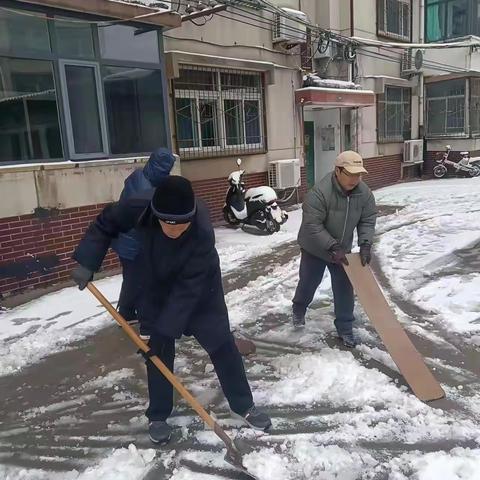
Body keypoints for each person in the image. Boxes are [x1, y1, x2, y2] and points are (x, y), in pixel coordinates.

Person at [71, 176, 272, 444]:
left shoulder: (201, 231)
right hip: (153, 287)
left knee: (223, 346)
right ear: (156, 213)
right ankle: (158, 415)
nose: (175, 230)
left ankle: (243, 404)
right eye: (168, 223)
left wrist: (164, 330)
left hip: (200, 294)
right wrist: (88, 260)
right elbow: (105, 223)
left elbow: (187, 292)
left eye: (182, 225)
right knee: (157, 354)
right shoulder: (137, 207)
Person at [292, 151, 377, 347]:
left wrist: (365, 243)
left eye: (359, 174)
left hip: (342, 249)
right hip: (315, 248)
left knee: (345, 287)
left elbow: (367, 219)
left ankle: (345, 328)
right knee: (308, 282)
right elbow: (312, 226)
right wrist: (332, 246)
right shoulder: (319, 193)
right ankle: (299, 309)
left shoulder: (364, 193)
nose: (355, 179)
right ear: (338, 171)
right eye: (350, 174)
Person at [111, 148, 175, 325]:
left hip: (127, 238)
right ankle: (137, 315)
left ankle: (126, 312)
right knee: (140, 279)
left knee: (132, 278)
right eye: (164, 170)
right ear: (156, 166)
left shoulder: (140, 176)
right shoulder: (144, 189)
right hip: (132, 241)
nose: (166, 174)